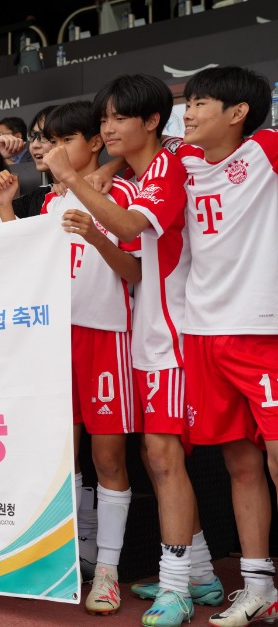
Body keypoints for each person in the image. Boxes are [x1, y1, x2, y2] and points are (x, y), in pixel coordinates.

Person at [50, 74, 224, 627]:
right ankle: (199, 572)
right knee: (159, 459)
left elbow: (127, 222)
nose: (108, 128)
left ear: (153, 121)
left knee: (164, 459)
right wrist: (97, 217)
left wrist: (74, 179)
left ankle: (177, 585)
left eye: (118, 118)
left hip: (177, 334)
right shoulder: (138, 173)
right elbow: (134, 265)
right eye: (103, 120)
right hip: (152, 333)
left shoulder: (169, 167)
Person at [0, 100, 143, 617]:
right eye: (46, 140)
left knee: (109, 461)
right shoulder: (53, 202)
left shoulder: (119, 192)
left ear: (95, 142)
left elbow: (135, 273)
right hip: (53, 339)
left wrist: (96, 232)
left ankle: (108, 569)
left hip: (106, 338)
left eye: (62, 140)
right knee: (62, 457)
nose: (51, 150)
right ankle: (70, 558)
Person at [172, 66, 278, 627]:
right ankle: (258, 586)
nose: (187, 112)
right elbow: (123, 148)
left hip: (263, 330)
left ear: (237, 114)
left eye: (200, 103)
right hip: (203, 335)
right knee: (240, 462)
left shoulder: (265, 149)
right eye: (186, 102)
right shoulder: (182, 163)